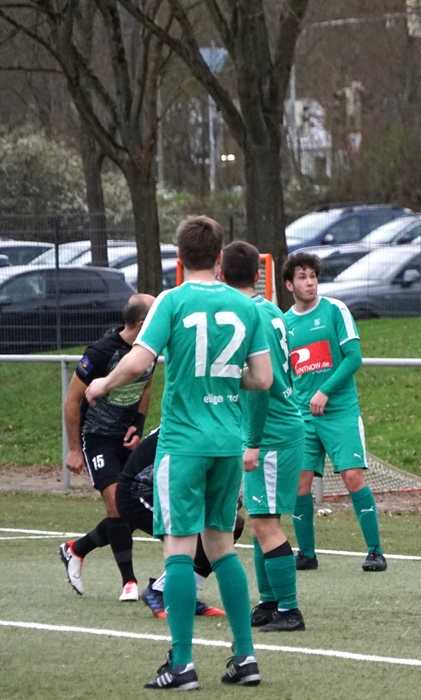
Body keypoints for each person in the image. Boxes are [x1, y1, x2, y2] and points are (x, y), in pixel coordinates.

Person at [85, 215, 273, 690]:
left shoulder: (171, 300)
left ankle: (183, 664)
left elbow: (139, 361)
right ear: (219, 257)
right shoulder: (247, 305)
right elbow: (263, 379)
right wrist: (225, 377)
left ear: (180, 258)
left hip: (184, 443)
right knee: (222, 547)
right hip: (227, 444)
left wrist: (104, 382)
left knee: (179, 548)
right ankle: (245, 658)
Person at [221, 241, 307, 632]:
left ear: (222, 276)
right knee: (260, 521)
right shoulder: (270, 309)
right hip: (279, 426)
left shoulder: (247, 316)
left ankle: (289, 609)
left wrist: (252, 442)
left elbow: (259, 385)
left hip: (271, 432)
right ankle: (269, 601)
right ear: (258, 275)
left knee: (265, 524)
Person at [282, 252, 385, 573]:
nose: (310, 282)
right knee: (300, 482)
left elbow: (353, 357)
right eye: (302, 277)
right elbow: (286, 372)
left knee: (352, 477)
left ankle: (376, 552)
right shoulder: (284, 324)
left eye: (313, 276)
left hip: (340, 412)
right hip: (303, 416)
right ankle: (307, 554)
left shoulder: (335, 310)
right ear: (289, 284)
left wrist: (325, 391)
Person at [59, 293, 156, 602]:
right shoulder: (101, 352)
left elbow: (146, 384)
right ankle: (129, 582)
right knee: (116, 503)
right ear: (142, 323)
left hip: (125, 437)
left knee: (134, 505)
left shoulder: (149, 350)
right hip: (97, 436)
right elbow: (72, 400)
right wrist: (74, 449)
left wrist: (137, 424)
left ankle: (76, 549)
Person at [115, 427, 236, 619]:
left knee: (227, 525)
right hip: (138, 492)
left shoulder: (213, 422)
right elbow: (176, 472)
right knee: (198, 535)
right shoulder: (194, 425)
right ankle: (159, 591)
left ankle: (185, 594)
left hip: (169, 489)